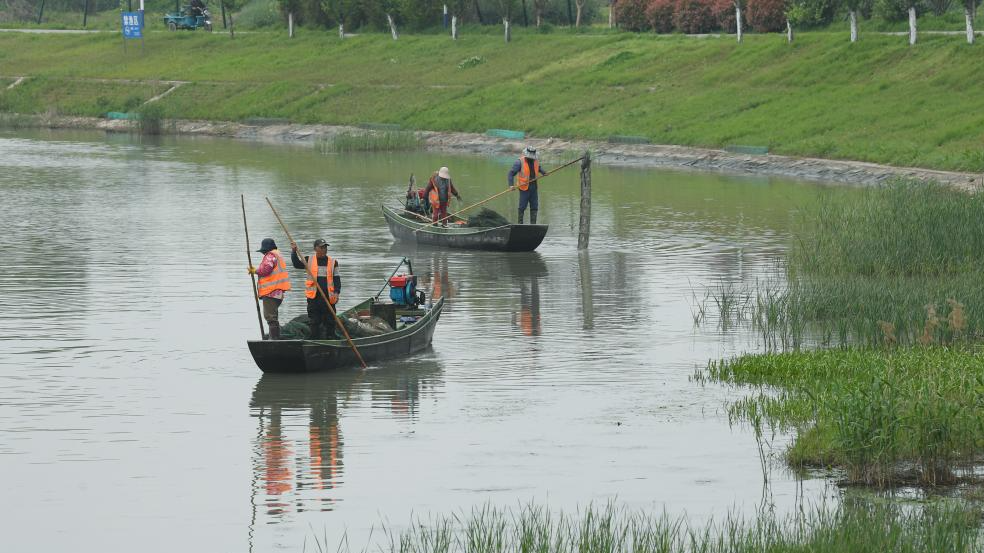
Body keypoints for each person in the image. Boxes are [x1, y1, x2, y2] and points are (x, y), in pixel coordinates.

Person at [291, 238, 341, 340]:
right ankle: (314, 337)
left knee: (330, 319)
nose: (324, 249)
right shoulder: (309, 260)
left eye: (325, 247)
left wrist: (336, 292)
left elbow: (337, 279)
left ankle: (331, 336)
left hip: (329, 296)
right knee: (314, 319)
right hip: (314, 296)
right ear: (315, 248)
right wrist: (293, 251)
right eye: (321, 247)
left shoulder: (333, 262)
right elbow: (296, 264)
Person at [248, 238, 291, 340]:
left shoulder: (270, 255)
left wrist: (255, 270)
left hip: (271, 292)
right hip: (277, 292)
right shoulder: (277, 255)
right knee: (273, 316)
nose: (263, 254)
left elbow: (266, 269)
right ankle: (274, 337)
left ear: (266, 250)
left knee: (270, 317)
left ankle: (274, 339)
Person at [508, 146, 548, 224]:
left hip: (534, 187)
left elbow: (539, 168)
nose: (532, 158)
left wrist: (544, 172)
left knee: (534, 207)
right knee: (522, 207)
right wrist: (511, 185)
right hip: (524, 188)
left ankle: (533, 225)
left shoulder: (535, 161)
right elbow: (511, 173)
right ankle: (520, 224)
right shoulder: (519, 162)